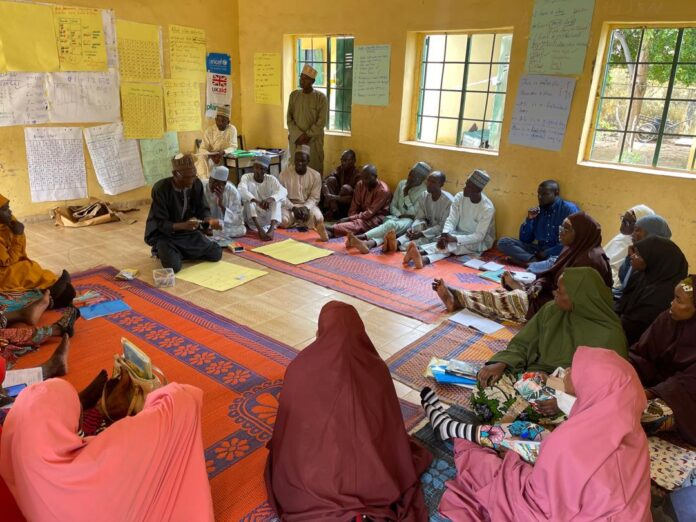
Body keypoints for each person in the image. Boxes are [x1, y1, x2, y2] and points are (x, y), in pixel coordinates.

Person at [422, 347, 651, 522]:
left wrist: (514, 463)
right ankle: (453, 429)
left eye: (577, 370)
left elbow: (536, 501)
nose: (568, 371)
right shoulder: (631, 432)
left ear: (594, 386)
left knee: (487, 466)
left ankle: (455, 433)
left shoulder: (567, 445)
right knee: (533, 433)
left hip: (554, 509)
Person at [265, 301, 432, 520]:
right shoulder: (377, 368)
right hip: (375, 479)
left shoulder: (300, 368)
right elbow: (389, 428)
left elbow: (287, 431)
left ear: (320, 330)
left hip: (314, 480)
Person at [0, 379, 214, 522]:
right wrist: (161, 396)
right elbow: (180, 405)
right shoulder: (102, 460)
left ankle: (95, 410)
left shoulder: (19, 461)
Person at [471, 267, 627, 424]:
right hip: (535, 377)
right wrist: (502, 362)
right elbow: (523, 343)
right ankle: (521, 424)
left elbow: (608, 387)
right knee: (487, 385)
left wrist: (565, 401)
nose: (555, 294)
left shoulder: (609, 334)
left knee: (590, 417)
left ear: (578, 297)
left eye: (560, 291)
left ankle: (522, 424)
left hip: (572, 394)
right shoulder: (551, 310)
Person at [433, 211, 612, 322]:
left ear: (580, 233)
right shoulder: (572, 249)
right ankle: (459, 297)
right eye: (561, 227)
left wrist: (539, 295)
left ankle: (457, 298)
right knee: (502, 293)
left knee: (510, 300)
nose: (560, 231)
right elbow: (550, 275)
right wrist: (540, 285)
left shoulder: (590, 260)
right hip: (552, 295)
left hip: (564, 309)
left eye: (566, 228)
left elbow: (578, 301)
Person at [630, 275, 696, 445]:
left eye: (679, 301)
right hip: (658, 387)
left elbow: (689, 381)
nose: (672, 304)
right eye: (674, 298)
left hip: (684, 398)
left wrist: (649, 393)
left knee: (641, 416)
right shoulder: (667, 319)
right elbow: (641, 353)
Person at [145, 154, 223, 273]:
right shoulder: (160, 189)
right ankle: (163, 249)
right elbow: (160, 223)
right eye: (188, 177)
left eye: (194, 175)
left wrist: (209, 221)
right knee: (174, 267)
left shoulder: (196, 184)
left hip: (188, 233)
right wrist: (184, 225)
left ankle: (179, 252)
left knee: (216, 253)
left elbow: (202, 209)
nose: (192, 180)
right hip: (166, 235)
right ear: (175, 174)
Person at [405, 169, 494, 268]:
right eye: (466, 184)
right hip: (458, 233)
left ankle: (420, 252)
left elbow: (479, 236)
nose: (464, 188)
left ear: (477, 190)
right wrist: (445, 233)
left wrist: (455, 239)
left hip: (478, 241)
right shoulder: (459, 197)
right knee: (443, 242)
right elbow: (451, 219)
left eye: (468, 186)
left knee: (453, 245)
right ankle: (424, 259)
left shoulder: (487, 208)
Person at [0, 194, 75, 310]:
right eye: (4, 210)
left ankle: (52, 287)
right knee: (25, 270)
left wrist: (17, 234)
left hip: (8, 262)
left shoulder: (7, 223)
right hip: (3, 269)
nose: (9, 212)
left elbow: (19, 252)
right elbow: (8, 261)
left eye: (8, 207)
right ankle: (49, 293)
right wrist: (17, 235)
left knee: (32, 268)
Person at [616, 236, 688, 345]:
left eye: (639, 255)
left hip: (640, 343)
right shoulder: (642, 276)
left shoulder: (665, 294)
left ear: (655, 258)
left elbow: (633, 326)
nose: (633, 256)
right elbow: (622, 303)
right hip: (621, 329)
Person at [346, 161, 429, 253]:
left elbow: (414, 213)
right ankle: (368, 244)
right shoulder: (402, 184)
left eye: (415, 177)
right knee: (389, 227)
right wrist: (399, 214)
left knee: (390, 225)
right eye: (410, 174)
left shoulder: (424, 192)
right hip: (396, 216)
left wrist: (406, 194)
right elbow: (393, 205)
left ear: (421, 179)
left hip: (410, 221)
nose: (411, 178)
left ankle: (362, 237)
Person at [497, 180, 579, 273]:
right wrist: (530, 219)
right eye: (538, 194)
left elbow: (572, 242)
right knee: (503, 242)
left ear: (556, 193)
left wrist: (547, 253)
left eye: (545, 194)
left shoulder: (569, 209)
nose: (540, 197)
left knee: (560, 262)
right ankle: (533, 262)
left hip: (557, 253)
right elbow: (525, 239)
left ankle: (527, 264)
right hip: (538, 251)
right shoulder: (538, 211)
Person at [326, 165, 391, 238]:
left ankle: (330, 228)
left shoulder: (383, 190)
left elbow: (369, 213)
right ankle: (331, 233)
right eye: (362, 178)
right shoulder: (360, 184)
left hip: (376, 217)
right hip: (360, 215)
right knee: (354, 223)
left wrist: (350, 219)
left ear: (375, 177)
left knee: (360, 223)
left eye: (367, 178)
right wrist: (352, 217)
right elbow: (354, 207)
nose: (364, 181)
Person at [278, 145, 328, 241]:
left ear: (308, 161)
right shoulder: (284, 174)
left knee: (319, 218)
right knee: (283, 221)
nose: (299, 163)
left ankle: (298, 224)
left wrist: (306, 208)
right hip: (289, 206)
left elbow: (315, 197)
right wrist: (293, 208)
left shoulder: (315, 175)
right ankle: (300, 224)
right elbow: (282, 197)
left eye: (302, 161)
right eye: (297, 160)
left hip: (307, 206)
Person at [397, 171, 454, 252]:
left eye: (433, 182)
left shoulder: (449, 202)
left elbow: (442, 227)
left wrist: (422, 233)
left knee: (428, 240)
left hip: (439, 232)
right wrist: (412, 228)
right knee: (413, 230)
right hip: (426, 227)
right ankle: (397, 242)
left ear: (441, 185)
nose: (429, 184)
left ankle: (405, 247)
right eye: (428, 180)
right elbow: (420, 217)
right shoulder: (424, 195)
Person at [616, 214, 672, 296]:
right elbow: (623, 280)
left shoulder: (662, 262)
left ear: (652, 235)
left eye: (637, 230)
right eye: (634, 230)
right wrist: (629, 259)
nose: (632, 234)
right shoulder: (638, 253)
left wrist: (639, 268)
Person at [287, 64, 327, 173]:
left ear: (312, 81)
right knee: (295, 171)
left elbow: (322, 121)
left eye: (306, 79)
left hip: (313, 142)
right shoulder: (294, 95)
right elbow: (289, 119)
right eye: (301, 77)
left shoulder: (321, 98)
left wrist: (308, 135)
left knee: (313, 171)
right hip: (297, 141)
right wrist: (298, 135)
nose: (302, 80)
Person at [238, 154, 288, 241]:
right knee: (249, 201)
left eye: (262, 169)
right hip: (253, 219)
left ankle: (271, 229)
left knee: (277, 201)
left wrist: (270, 199)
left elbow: (283, 191)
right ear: (253, 167)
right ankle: (260, 230)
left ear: (266, 171)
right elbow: (241, 190)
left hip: (268, 217)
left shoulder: (271, 179)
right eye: (257, 168)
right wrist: (257, 201)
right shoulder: (246, 177)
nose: (259, 171)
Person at [604, 205, 654, 287]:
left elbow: (622, 279)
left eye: (627, 222)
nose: (622, 224)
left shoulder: (639, 248)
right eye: (623, 219)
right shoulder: (620, 238)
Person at [203, 165, 246, 239]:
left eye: (218, 183)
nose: (215, 185)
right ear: (210, 179)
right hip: (207, 223)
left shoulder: (232, 191)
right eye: (213, 181)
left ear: (224, 184)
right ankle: (209, 232)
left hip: (223, 224)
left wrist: (221, 205)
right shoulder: (202, 188)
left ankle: (212, 233)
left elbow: (238, 219)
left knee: (242, 230)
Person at [195, 105, 237, 179]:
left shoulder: (232, 129)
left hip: (224, 157)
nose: (220, 123)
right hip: (210, 157)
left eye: (223, 121)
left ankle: (213, 182)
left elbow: (233, 146)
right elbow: (202, 148)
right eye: (218, 120)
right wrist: (211, 156)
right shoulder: (209, 131)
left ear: (228, 122)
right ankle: (205, 181)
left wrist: (224, 152)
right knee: (202, 158)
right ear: (215, 119)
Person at [321, 149, 360, 220]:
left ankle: (335, 213)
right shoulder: (340, 169)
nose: (342, 163)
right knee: (331, 180)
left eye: (345, 160)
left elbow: (354, 198)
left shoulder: (357, 175)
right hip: (335, 204)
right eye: (341, 160)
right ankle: (334, 211)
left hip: (347, 206)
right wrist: (327, 195)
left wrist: (332, 197)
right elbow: (324, 182)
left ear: (353, 161)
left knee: (346, 188)